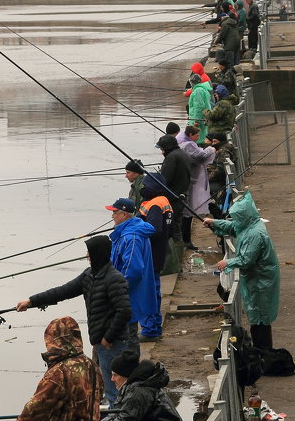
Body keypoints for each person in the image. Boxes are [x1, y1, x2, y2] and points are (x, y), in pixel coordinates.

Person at [16, 235, 134, 405]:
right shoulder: (89, 275)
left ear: (97, 253)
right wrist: (31, 301)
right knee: (100, 386)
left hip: (113, 344)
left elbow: (124, 312)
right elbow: (62, 291)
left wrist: (108, 338)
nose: (86, 255)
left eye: (89, 252)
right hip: (99, 343)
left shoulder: (114, 279)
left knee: (114, 390)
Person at [201, 190, 279, 350]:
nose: (236, 220)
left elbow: (246, 259)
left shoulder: (255, 234)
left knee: (260, 317)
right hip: (257, 279)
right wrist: (214, 222)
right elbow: (233, 227)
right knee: (257, 316)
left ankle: (263, 352)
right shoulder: (249, 224)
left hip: (260, 281)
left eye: (237, 217)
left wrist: (228, 262)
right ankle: (262, 352)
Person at [106, 198, 160, 342]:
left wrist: (118, 289)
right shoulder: (131, 229)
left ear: (124, 215)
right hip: (131, 295)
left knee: (127, 338)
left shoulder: (132, 236)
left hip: (129, 297)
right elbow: (117, 256)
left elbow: (133, 270)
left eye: (115, 213)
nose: (112, 216)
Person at [178, 125, 215, 249]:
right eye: (197, 136)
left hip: (187, 182)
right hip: (188, 183)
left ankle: (185, 240)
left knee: (187, 213)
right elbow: (201, 156)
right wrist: (210, 149)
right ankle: (186, 241)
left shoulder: (185, 144)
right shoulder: (188, 146)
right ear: (190, 135)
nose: (199, 138)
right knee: (187, 214)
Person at [139, 173, 176, 279]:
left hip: (150, 255)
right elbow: (171, 231)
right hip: (160, 253)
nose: (143, 189)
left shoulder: (155, 204)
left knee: (149, 286)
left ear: (152, 187)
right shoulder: (165, 201)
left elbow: (153, 230)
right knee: (155, 284)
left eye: (145, 186)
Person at [205, 131, 236, 218]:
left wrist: (208, 178)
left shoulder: (222, 151)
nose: (213, 144)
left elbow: (221, 169)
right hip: (224, 180)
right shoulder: (226, 147)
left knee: (205, 188)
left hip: (222, 182)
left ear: (220, 141)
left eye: (215, 142)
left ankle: (218, 215)